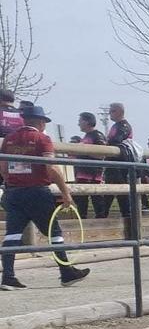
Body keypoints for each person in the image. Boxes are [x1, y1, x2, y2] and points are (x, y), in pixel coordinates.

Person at [0, 105, 91, 290]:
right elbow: (51, 167)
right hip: (37, 192)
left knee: (12, 234)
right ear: (41, 123)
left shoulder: (8, 140)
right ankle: (66, 272)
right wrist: (65, 193)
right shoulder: (42, 139)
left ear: (24, 120)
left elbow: (3, 168)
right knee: (54, 233)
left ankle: (8, 276)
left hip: (14, 192)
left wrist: (13, 183)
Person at [96, 101, 134, 218]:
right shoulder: (115, 126)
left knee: (122, 197)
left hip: (120, 165)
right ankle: (102, 218)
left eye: (112, 111)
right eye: (109, 111)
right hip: (112, 165)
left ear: (120, 112)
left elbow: (117, 140)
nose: (110, 114)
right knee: (108, 196)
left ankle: (128, 222)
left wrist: (106, 143)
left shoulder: (124, 126)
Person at [73, 112, 107, 219]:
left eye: (80, 121)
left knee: (96, 199)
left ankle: (100, 221)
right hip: (83, 173)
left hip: (92, 174)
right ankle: (82, 220)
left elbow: (101, 154)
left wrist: (84, 151)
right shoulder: (86, 136)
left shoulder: (97, 135)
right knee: (81, 200)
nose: (78, 124)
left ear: (87, 122)